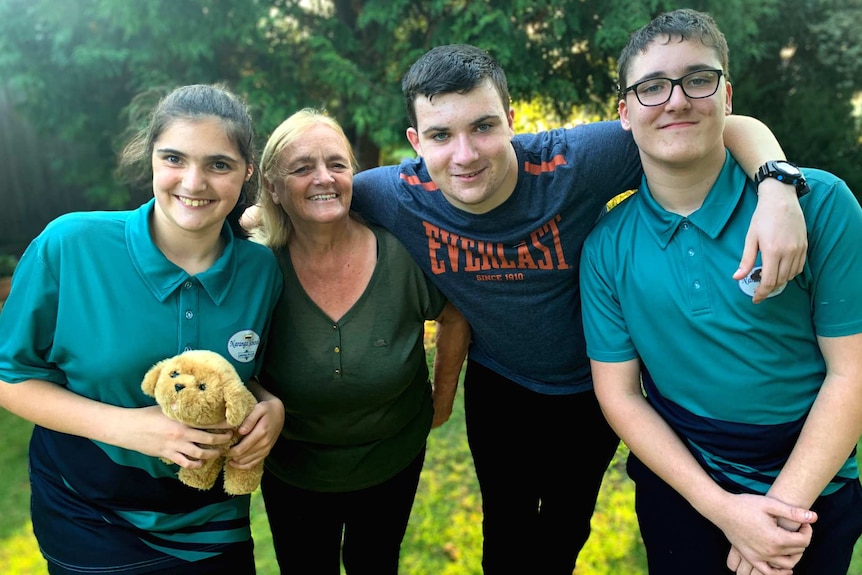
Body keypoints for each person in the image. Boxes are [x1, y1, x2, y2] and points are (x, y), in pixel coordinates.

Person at [343, 44, 809, 573]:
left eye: (484, 127)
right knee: (505, 523)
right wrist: (250, 225)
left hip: (595, 388)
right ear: (416, 141)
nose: (466, 154)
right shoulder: (396, 193)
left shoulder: (576, 162)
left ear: (512, 121)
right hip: (501, 383)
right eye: (441, 135)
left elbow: (722, 123)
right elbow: (311, 195)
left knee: (567, 524)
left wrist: (777, 188)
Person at [580, 9, 862, 575]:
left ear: (726, 95)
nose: (676, 100)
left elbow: (851, 371)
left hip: (813, 487)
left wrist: (777, 517)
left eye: (698, 79)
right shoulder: (606, 247)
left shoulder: (820, 205)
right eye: (652, 87)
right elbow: (621, 395)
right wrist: (724, 510)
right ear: (625, 112)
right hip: (685, 485)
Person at [0, 84, 285, 575]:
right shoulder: (69, 245)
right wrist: (131, 428)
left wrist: (270, 406)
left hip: (212, 518)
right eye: (174, 158)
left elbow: (240, 373)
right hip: (88, 513)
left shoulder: (261, 271)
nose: (193, 183)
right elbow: (11, 376)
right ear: (151, 158)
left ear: (247, 173)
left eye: (219, 164)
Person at [251, 108, 470, 574]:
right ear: (272, 185)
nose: (323, 178)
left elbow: (454, 314)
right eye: (302, 167)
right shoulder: (256, 268)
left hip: (392, 458)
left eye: (337, 163)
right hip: (295, 470)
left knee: (376, 563)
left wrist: (444, 397)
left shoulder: (401, 253)